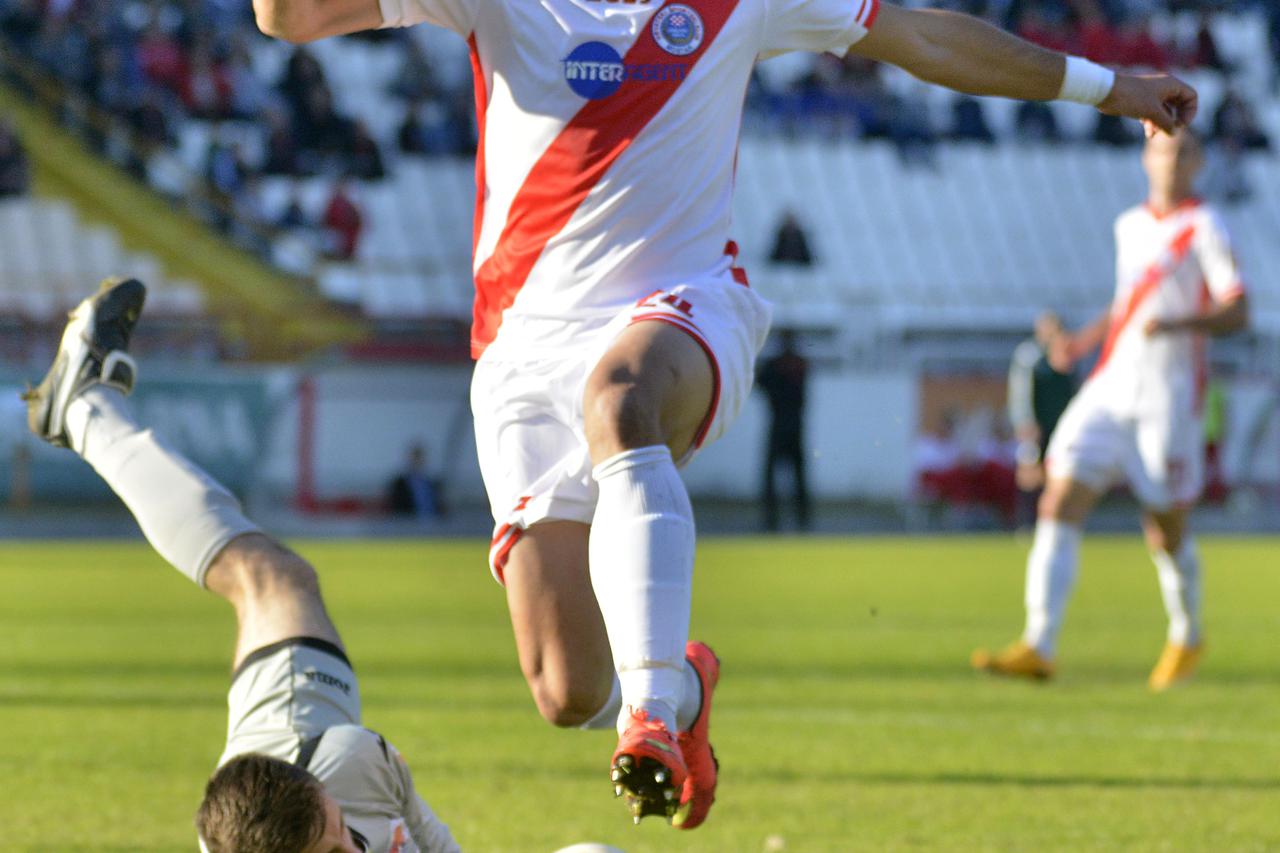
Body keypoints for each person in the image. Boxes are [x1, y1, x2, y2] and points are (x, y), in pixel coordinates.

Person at [253, 0, 1197, 827]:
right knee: (565, 685)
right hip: (522, 349)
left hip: (682, 307)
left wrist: (1109, 87)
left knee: (620, 401)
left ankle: (651, 715)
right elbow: (288, 17)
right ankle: (681, 691)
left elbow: (919, 37)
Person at [23, 278, 460, 853]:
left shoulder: (346, 762)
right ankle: (83, 408)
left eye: (337, 838)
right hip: (306, 762)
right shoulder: (353, 764)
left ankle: (85, 410)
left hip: (294, 749)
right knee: (273, 581)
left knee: (270, 581)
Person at [972, 128, 1249, 691]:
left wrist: (1178, 324)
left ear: (1198, 162)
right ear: (1146, 157)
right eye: (1163, 149)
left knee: (1164, 528)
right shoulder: (1129, 225)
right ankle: (1040, 644)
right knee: (1058, 497)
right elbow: (1128, 302)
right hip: (1111, 384)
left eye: (1184, 152)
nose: (1171, 160)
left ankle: (1187, 635)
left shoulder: (1205, 226)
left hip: (1168, 395)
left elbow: (1238, 310)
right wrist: (1082, 341)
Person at [1007, 311, 1078, 525]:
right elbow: (1020, 391)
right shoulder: (1030, 356)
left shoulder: (1066, 355)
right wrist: (1024, 421)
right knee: (1030, 472)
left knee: (1057, 471)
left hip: (1060, 426)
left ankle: (1053, 519)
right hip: (1035, 426)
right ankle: (1027, 522)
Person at [757, 329, 811, 531]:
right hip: (791, 426)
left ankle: (777, 519)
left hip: (781, 426)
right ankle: (797, 519)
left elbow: (761, 384)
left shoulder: (779, 365)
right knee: (794, 476)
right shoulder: (798, 364)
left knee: (779, 475)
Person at [388, 442, 445, 518]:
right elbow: (397, 509)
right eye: (415, 458)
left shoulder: (432, 483)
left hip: (432, 520)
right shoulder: (399, 484)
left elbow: (439, 506)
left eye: (420, 458)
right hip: (408, 521)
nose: (418, 461)